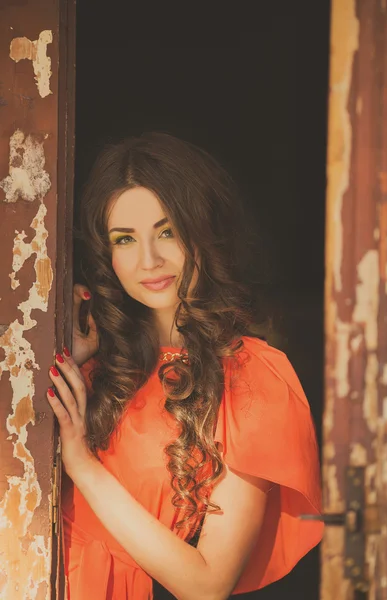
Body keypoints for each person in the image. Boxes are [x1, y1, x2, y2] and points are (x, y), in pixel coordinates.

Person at [47, 132, 324, 600]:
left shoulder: (252, 376)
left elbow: (207, 584)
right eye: (126, 239)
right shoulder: (97, 359)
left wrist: (83, 465)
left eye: (168, 230)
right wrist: (62, 361)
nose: (149, 259)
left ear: (203, 231)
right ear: (107, 253)